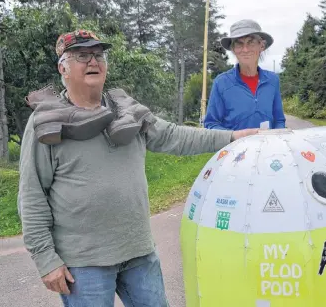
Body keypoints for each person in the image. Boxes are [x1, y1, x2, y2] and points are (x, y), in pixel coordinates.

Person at [17, 30, 258, 307]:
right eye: (82, 56)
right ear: (63, 67)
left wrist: (232, 137)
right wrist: (46, 259)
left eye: (98, 55)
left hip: (139, 253)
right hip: (83, 263)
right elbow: (31, 195)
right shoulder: (45, 124)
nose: (93, 61)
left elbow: (174, 136)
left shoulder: (127, 111)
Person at [204, 19, 286, 130]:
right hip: (233, 147)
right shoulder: (221, 82)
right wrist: (236, 136)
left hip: (267, 146)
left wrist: (276, 138)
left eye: (251, 42)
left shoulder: (272, 80)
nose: (245, 49)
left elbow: (279, 120)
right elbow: (211, 124)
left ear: (261, 46)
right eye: (239, 44)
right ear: (233, 49)